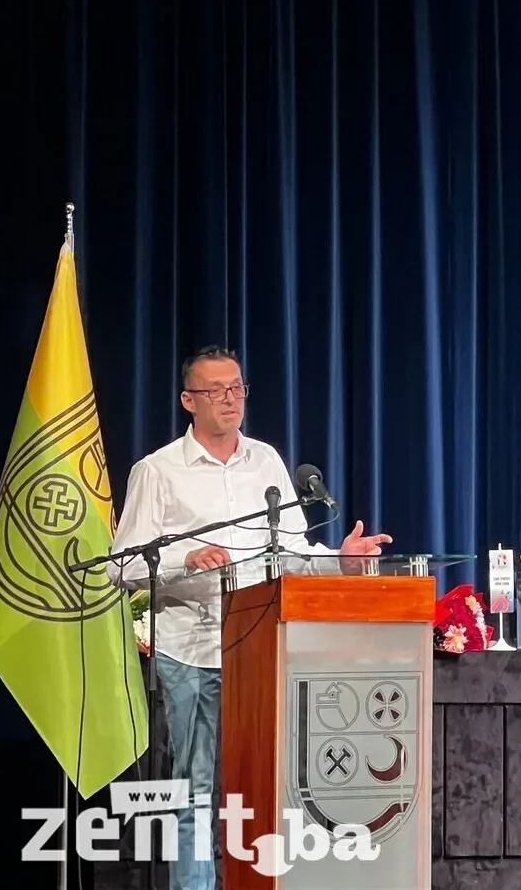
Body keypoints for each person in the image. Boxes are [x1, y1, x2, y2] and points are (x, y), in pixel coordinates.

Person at [107, 345, 391, 890]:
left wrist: (340, 559)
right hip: (192, 652)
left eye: (237, 388)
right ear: (189, 401)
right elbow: (121, 567)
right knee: (196, 787)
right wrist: (184, 558)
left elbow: (290, 552)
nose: (230, 399)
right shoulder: (158, 471)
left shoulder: (265, 462)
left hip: (262, 649)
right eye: (215, 391)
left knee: (264, 785)